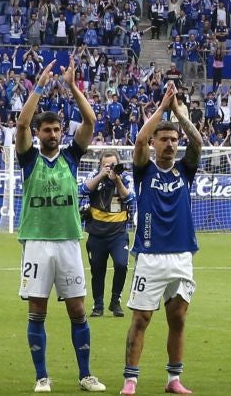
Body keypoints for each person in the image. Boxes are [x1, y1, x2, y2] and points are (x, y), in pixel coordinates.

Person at [16, 60, 105, 393]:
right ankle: (42, 376)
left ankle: (85, 375)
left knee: (78, 309)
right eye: (47, 130)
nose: (52, 134)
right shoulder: (29, 159)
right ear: (39, 134)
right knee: (37, 309)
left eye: (56, 130)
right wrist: (38, 86)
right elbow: (22, 122)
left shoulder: (71, 157)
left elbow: (91, 120)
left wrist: (71, 86)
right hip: (37, 242)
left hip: (68, 241)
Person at [120, 82, 203, 396]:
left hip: (181, 255)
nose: (170, 144)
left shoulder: (185, 170)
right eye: (164, 139)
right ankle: (131, 380)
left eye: (173, 140)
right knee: (141, 318)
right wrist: (161, 108)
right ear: (155, 143)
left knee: (178, 318)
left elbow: (197, 142)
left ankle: (173, 379)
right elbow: (140, 139)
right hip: (150, 256)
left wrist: (180, 114)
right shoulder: (144, 171)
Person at [84, 154, 134, 319]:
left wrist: (117, 179)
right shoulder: (94, 175)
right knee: (97, 271)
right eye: (106, 165)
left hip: (118, 234)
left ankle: (115, 301)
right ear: (100, 165)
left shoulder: (125, 178)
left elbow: (129, 198)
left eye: (113, 165)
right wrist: (101, 176)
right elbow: (83, 190)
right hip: (97, 234)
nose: (110, 168)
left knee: (121, 265)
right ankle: (98, 305)